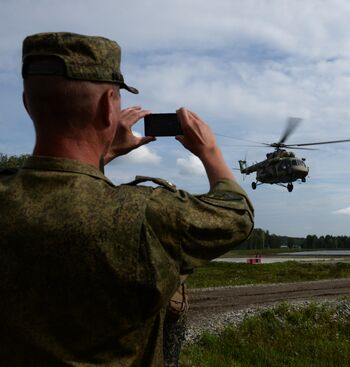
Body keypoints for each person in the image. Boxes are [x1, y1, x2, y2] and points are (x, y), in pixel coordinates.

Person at [0, 32, 254, 366]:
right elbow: (237, 215)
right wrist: (210, 152)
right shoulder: (146, 215)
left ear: (25, 102)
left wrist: (103, 154)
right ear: (108, 106)